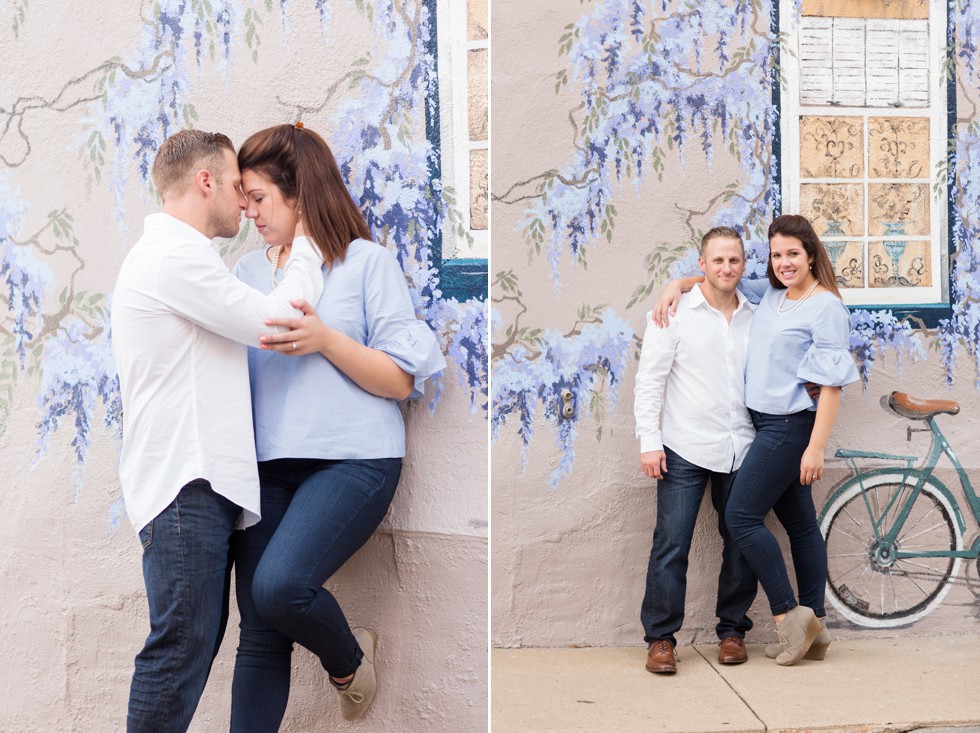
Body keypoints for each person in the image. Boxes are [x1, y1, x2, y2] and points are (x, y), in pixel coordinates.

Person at [228, 123, 446, 730]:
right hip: (265, 464)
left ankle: (350, 662)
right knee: (260, 633)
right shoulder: (245, 273)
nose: (248, 211)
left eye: (259, 197)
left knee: (278, 587)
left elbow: (401, 381)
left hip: (353, 460)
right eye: (242, 198)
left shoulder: (364, 262)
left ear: (298, 193)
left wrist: (326, 339)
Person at [111, 129, 325, 732]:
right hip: (186, 485)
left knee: (192, 647)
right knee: (180, 649)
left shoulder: (182, 260)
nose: (245, 203)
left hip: (196, 485)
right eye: (237, 187)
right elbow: (279, 322)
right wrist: (306, 243)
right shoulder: (172, 259)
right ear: (205, 182)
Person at [654, 213, 859, 666]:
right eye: (776, 254)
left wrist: (816, 447)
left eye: (793, 254)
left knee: (742, 516)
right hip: (762, 426)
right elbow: (719, 280)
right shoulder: (771, 295)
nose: (784, 262)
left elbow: (831, 386)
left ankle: (791, 619)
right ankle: (818, 628)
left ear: (811, 256)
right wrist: (678, 283)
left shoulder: (825, 307)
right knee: (802, 525)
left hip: (788, 429)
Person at [634, 227, 759, 674]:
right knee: (672, 544)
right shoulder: (673, 312)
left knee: (742, 540)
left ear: (744, 265)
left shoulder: (757, 312)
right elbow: (650, 379)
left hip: (742, 446)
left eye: (735, 261)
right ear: (701, 265)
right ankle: (661, 639)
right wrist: (650, 443)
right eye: (718, 261)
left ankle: (732, 632)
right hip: (683, 446)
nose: (727, 269)